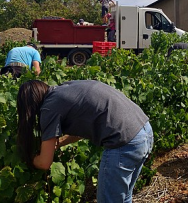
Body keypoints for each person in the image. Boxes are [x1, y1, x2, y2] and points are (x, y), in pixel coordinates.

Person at [17, 80, 153, 203]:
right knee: (124, 198)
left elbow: (45, 163)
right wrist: (59, 143)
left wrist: (28, 159)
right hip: (144, 132)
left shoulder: (48, 108)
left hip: (124, 142)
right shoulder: (65, 88)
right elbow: (83, 129)